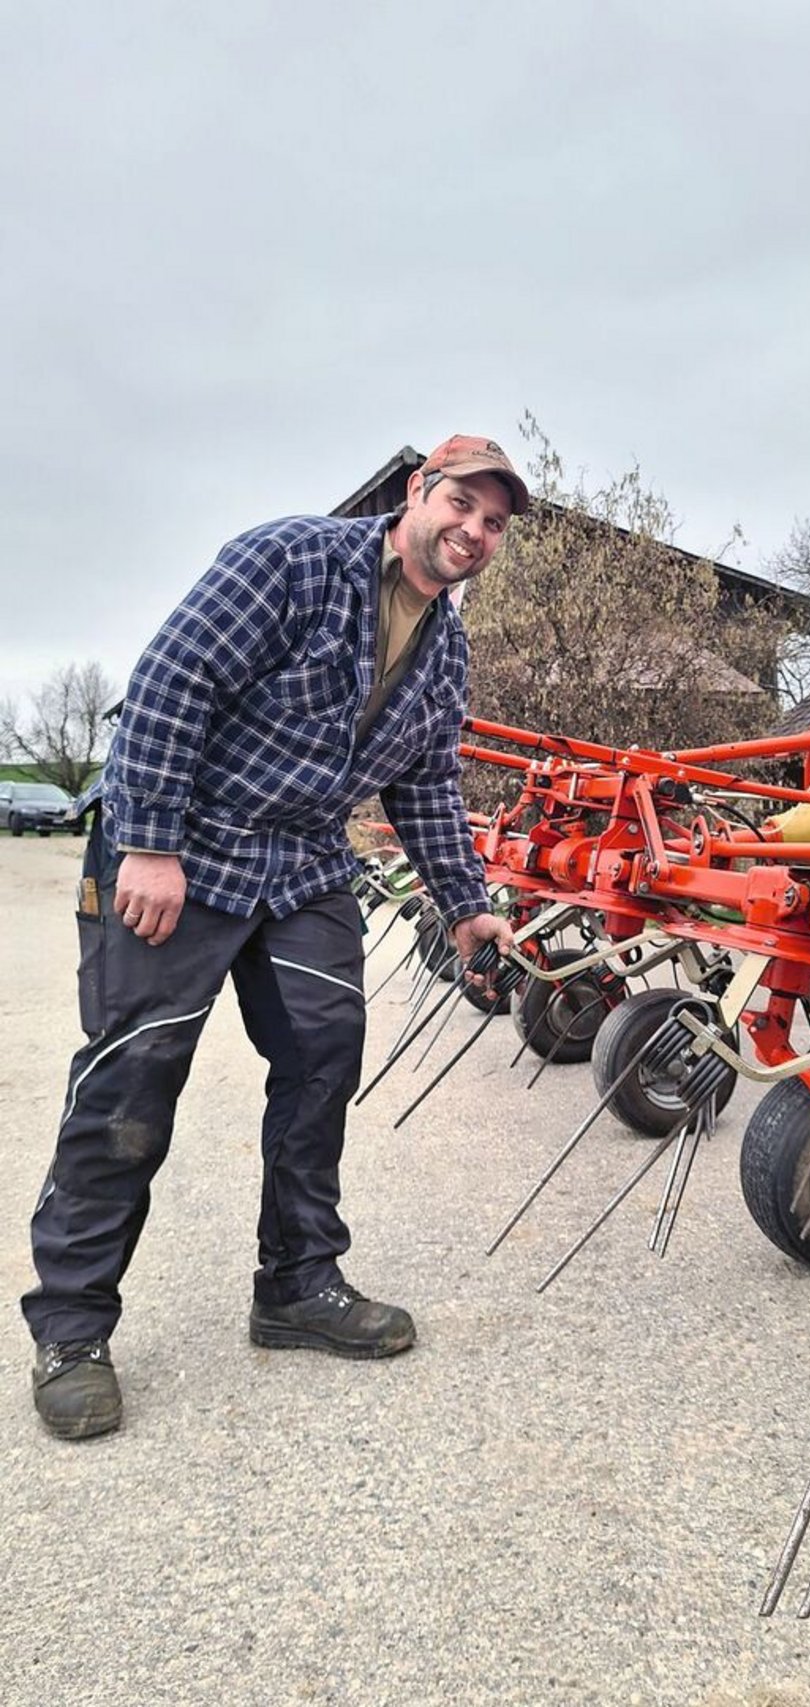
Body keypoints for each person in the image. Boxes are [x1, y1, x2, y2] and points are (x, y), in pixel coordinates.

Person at [21, 434, 525, 1440]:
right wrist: (152, 844)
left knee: (322, 1051)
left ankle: (296, 1284)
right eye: (461, 503)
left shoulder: (444, 646)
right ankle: (72, 1329)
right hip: (184, 844)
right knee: (132, 1077)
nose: (473, 530)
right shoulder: (292, 559)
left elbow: (423, 787)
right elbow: (172, 682)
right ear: (417, 492)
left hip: (297, 863)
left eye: (494, 523)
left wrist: (466, 905)